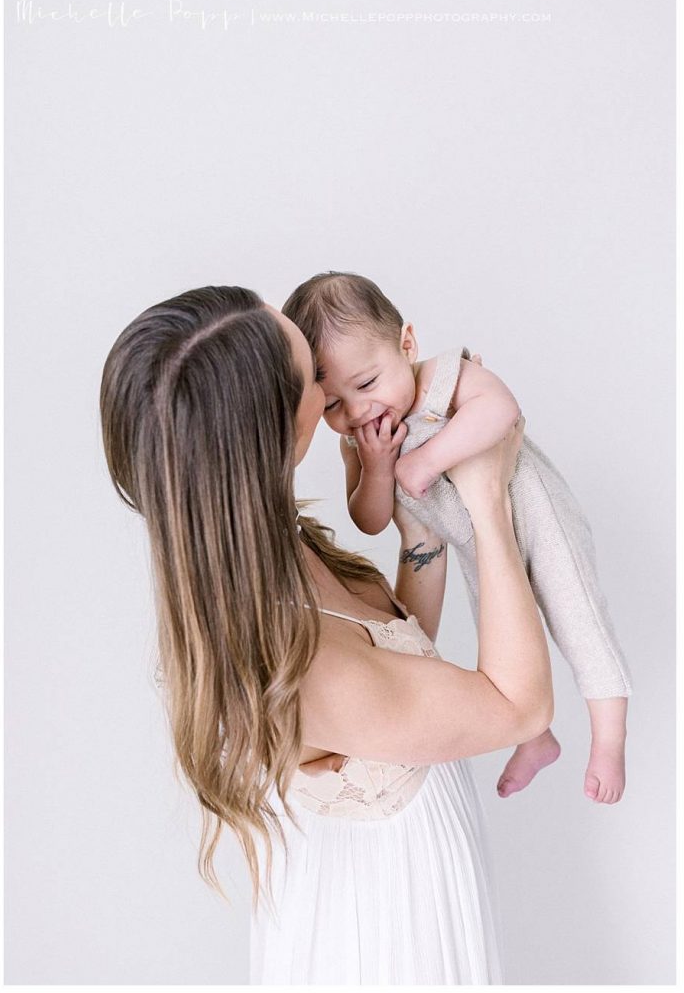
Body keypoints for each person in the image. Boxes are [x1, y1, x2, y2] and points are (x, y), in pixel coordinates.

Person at [100, 284, 553, 984]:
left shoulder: (273, 547)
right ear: (286, 433)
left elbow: (403, 672)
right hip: (390, 939)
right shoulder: (301, 658)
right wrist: (487, 498)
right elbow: (518, 707)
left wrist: (420, 535)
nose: (334, 380)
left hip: (416, 896)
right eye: (314, 374)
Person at [283, 271, 631, 804]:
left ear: (407, 344)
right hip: (473, 537)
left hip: (535, 515)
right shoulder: (358, 442)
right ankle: (535, 739)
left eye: (368, 384)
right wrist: (376, 469)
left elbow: (501, 410)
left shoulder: (445, 379)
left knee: (575, 612)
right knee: (501, 634)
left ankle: (609, 739)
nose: (357, 412)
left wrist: (426, 459)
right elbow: (372, 520)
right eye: (332, 405)